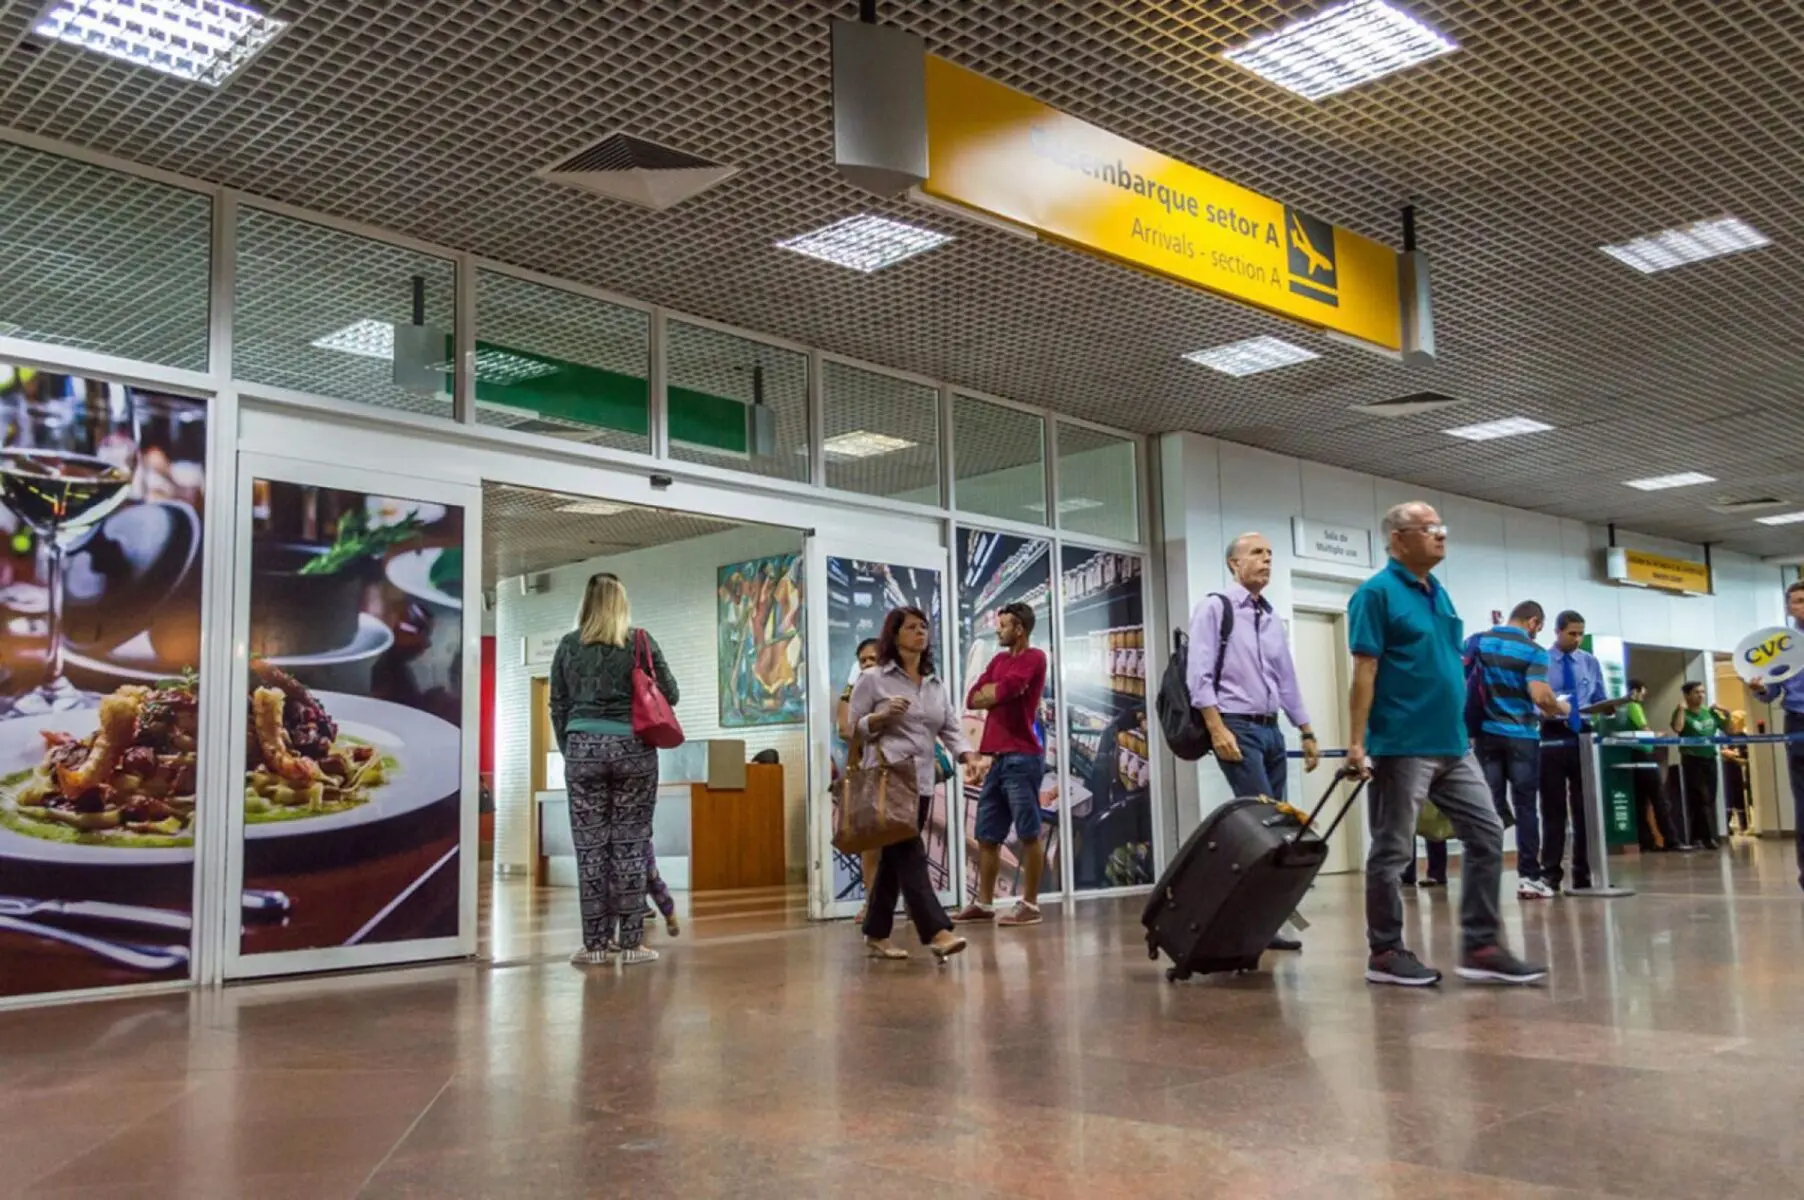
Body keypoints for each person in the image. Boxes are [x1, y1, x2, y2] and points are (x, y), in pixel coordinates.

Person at [1347, 501, 1546, 987]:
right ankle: (1385, 951)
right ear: (1397, 538)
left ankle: (1480, 946)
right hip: (1402, 743)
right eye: (1429, 529)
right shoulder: (1376, 594)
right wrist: (1357, 743)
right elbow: (1365, 671)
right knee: (1393, 850)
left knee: (1487, 832)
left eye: (1442, 528)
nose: (1441, 536)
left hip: (1454, 744)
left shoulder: (1440, 594)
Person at [1182, 532, 1319, 950]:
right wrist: (1216, 727)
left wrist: (1306, 729)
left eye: (1270, 554)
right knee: (1261, 827)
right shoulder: (1215, 608)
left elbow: (1286, 678)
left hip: (1271, 728)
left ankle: (1265, 919)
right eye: (1257, 553)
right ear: (1233, 564)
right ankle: (1247, 920)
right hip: (1236, 726)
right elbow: (1198, 674)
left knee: (1275, 828)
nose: (1266, 560)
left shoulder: (1268, 617)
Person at [549, 572, 679, 967]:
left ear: (586, 603)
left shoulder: (569, 646)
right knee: (631, 843)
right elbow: (670, 693)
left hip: (582, 749)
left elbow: (557, 704)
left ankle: (594, 945)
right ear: (621, 603)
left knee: (590, 849)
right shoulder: (639, 640)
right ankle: (633, 943)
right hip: (634, 749)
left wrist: (571, 751)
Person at [848, 607, 976, 962]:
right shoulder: (874, 679)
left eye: (924, 627)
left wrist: (969, 756)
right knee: (910, 853)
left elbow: (949, 728)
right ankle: (937, 930)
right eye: (911, 627)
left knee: (892, 860)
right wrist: (881, 717)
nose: (920, 632)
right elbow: (853, 727)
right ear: (895, 634)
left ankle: (875, 933)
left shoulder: (935, 684)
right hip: (888, 781)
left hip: (920, 782)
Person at [953, 602, 1050, 927]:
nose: (998, 630)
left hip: (1023, 756)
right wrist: (992, 693)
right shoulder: (997, 659)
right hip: (994, 757)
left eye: (1004, 624)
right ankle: (985, 903)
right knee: (986, 835)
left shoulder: (1035, 658)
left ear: (1019, 629)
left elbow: (1006, 689)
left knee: (1028, 832)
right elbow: (973, 696)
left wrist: (994, 692)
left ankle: (1030, 905)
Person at [1468, 601, 1570, 899]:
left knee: (1490, 808)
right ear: (1533, 622)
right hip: (1522, 737)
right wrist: (1561, 707)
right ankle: (1529, 878)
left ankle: (1483, 879)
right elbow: (1540, 695)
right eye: (1539, 626)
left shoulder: (1479, 640)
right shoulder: (1533, 651)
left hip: (1485, 734)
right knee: (1526, 808)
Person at [1541, 611, 1609, 893]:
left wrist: (1608, 706)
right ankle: (1550, 873)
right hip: (1552, 734)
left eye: (1581, 633)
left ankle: (1583, 873)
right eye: (1572, 633)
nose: (1577, 639)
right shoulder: (1542, 661)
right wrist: (1554, 709)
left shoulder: (1589, 662)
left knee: (1585, 810)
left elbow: (1599, 697)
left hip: (1582, 734)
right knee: (1554, 809)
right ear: (1558, 632)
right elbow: (1534, 700)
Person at [1750, 580, 1804, 887]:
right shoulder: (1780, 646)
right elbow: (1770, 690)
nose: (1801, 606)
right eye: (1796, 601)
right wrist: (1759, 688)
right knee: (1803, 803)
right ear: (1788, 608)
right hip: (1799, 722)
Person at [837, 637, 882, 923]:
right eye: (863, 660)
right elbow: (844, 729)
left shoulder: (897, 687)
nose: (868, 664)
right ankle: (871, 903)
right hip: (867, 771)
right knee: (870, 844)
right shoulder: (851, 692)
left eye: (873, 659)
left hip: (899, 772)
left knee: (905, 841)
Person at [1619, 679, 1682, 850]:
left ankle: (1646, 841)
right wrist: (1657, 735)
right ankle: (1672, 840)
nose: (1643, 697)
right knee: (1658, 798)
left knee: (1639, 801)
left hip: (1628, 754)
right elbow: (1645, 730)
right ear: (1635, 691)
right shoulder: (1633, 706)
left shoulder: (1619, 707)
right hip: (1642, 754)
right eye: (1642, 693)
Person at [1671, 681, 1722, 850]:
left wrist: (1725, 713)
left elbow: (1729, 730)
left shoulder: (1709, 713)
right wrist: (1680, 709)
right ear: (1687, 695)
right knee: (1700, 797)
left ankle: (1701, 836)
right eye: (1696, 692)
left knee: (1710, 798)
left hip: (1710, 758)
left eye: (1702, 692)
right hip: (1692, 759)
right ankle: (1706, 838)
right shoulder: (1682, 713)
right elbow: (1678, 728)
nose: (1700, 695)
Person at [1721, 709, 1750, 836]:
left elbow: (1747, 755)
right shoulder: (1723, 736)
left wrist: (1737, 758)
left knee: (1740, 798)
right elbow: (1723, 752)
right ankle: (1725, 826)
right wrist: (1732, 756)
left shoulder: (1744, 737)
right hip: (1727, 768)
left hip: (1740, 769)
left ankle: (1744, 825)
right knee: (1728, 796)